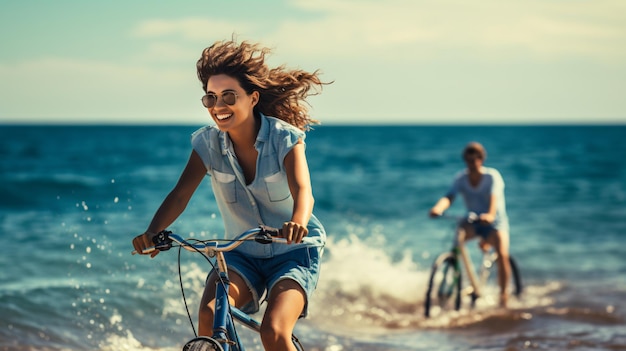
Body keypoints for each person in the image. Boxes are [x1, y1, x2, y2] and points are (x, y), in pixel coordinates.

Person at [132, 38, 328, 351]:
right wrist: (153, 232)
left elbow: (302, 190)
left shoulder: (285, 138)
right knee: (209, 319)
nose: (218, 106)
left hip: (292, 252)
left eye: (228, 96)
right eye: (210, 98)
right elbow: (181, 194)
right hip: (240, 254)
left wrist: (297, 222)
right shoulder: (207, 144)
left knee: (274, 332)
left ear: (252, 98)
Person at [429, 142, 511, 307]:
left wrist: (490, 214)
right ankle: (464, 280)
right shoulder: (461, 178)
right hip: (473, 221)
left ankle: (504, 296)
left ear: (481, 160)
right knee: (458, 237)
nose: (471, 164)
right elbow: (449, 196)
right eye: (468, 160)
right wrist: (438, 208)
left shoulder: (492, 176)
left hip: (494, 222)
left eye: (474, 160)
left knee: (502, 254)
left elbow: (494, 198)